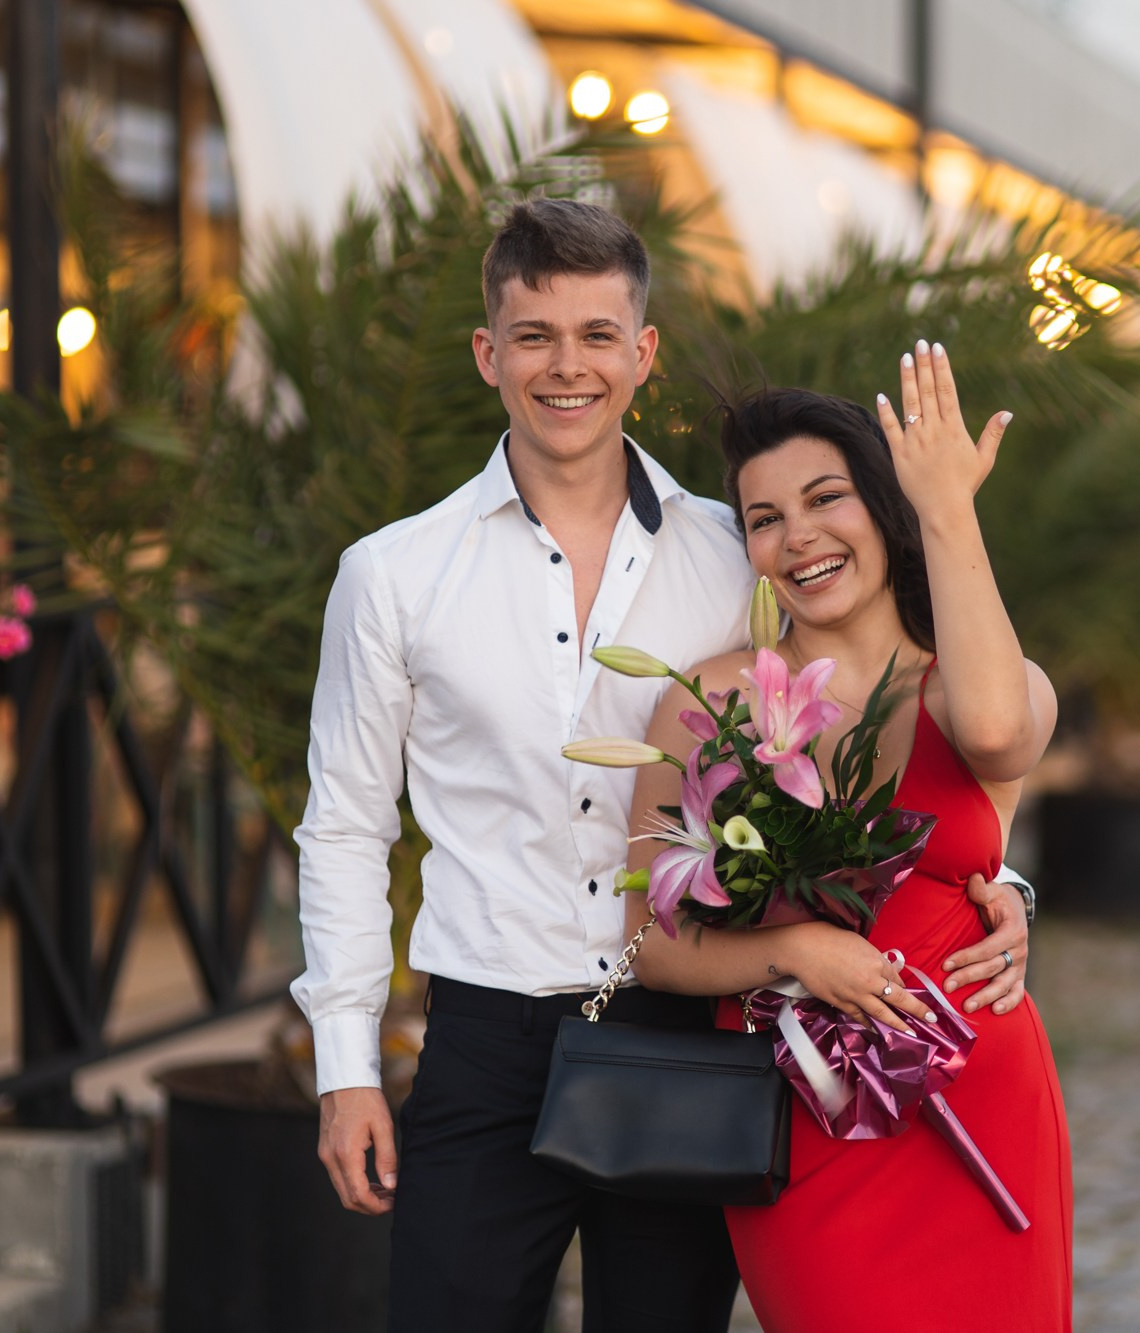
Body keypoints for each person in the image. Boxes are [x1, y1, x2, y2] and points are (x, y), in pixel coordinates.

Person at [292, 198, 1034, 1331]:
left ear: (642, 354)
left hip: (701, 1031)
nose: (565, 366)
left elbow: (875, 731)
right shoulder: (393, 575)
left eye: (596, 334)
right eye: (533, 336)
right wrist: (345, 1063)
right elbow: (345, 826)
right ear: (488, 354)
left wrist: (1001, 885)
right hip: (487, 1041)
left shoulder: (738, 549)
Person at [622, 355, 1072, 1331]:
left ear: (884, 507)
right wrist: (788, 950)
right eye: (763, 518)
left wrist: (947, 504)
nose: (799, 537)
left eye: (828, 499)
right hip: (803, 1110)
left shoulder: (966, 685)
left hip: (977, 1104)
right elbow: (646, 944)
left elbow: (998, 735)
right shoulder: (708, 700)